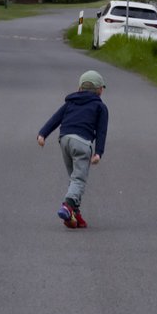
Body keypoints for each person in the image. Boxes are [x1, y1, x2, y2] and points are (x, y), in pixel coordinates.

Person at [36, 69, 108, 228]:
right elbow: (102, 132)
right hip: (82, 143)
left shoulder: (70, 102)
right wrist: (98, 153)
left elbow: (55, 119)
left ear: (80, 88)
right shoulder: (100, 107)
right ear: (99, 90)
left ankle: (75, 214)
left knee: (74, 178)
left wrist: (42, 134)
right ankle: (67, 206)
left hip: (65, 140)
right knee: (79, 179)